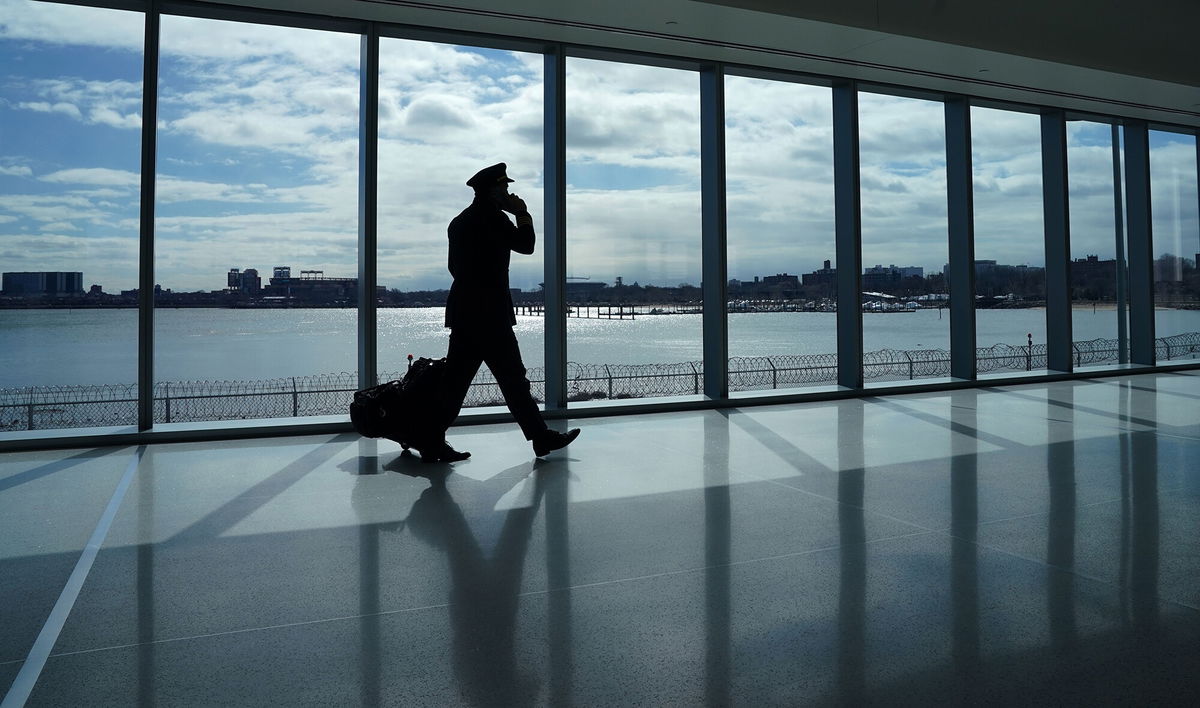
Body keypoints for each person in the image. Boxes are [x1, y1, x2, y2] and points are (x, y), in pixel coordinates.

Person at [419, 162, 580, 463]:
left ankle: (431, 441)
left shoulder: (459, 221)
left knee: (456, 385)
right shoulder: (493, 218)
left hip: (466, 312)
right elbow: (527, 245)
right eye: (504, 187)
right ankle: (540, 438)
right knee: (513, 381)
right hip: (490, 314)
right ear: (493, 190)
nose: (508, 191)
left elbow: (454, 268)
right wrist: (522, 213)